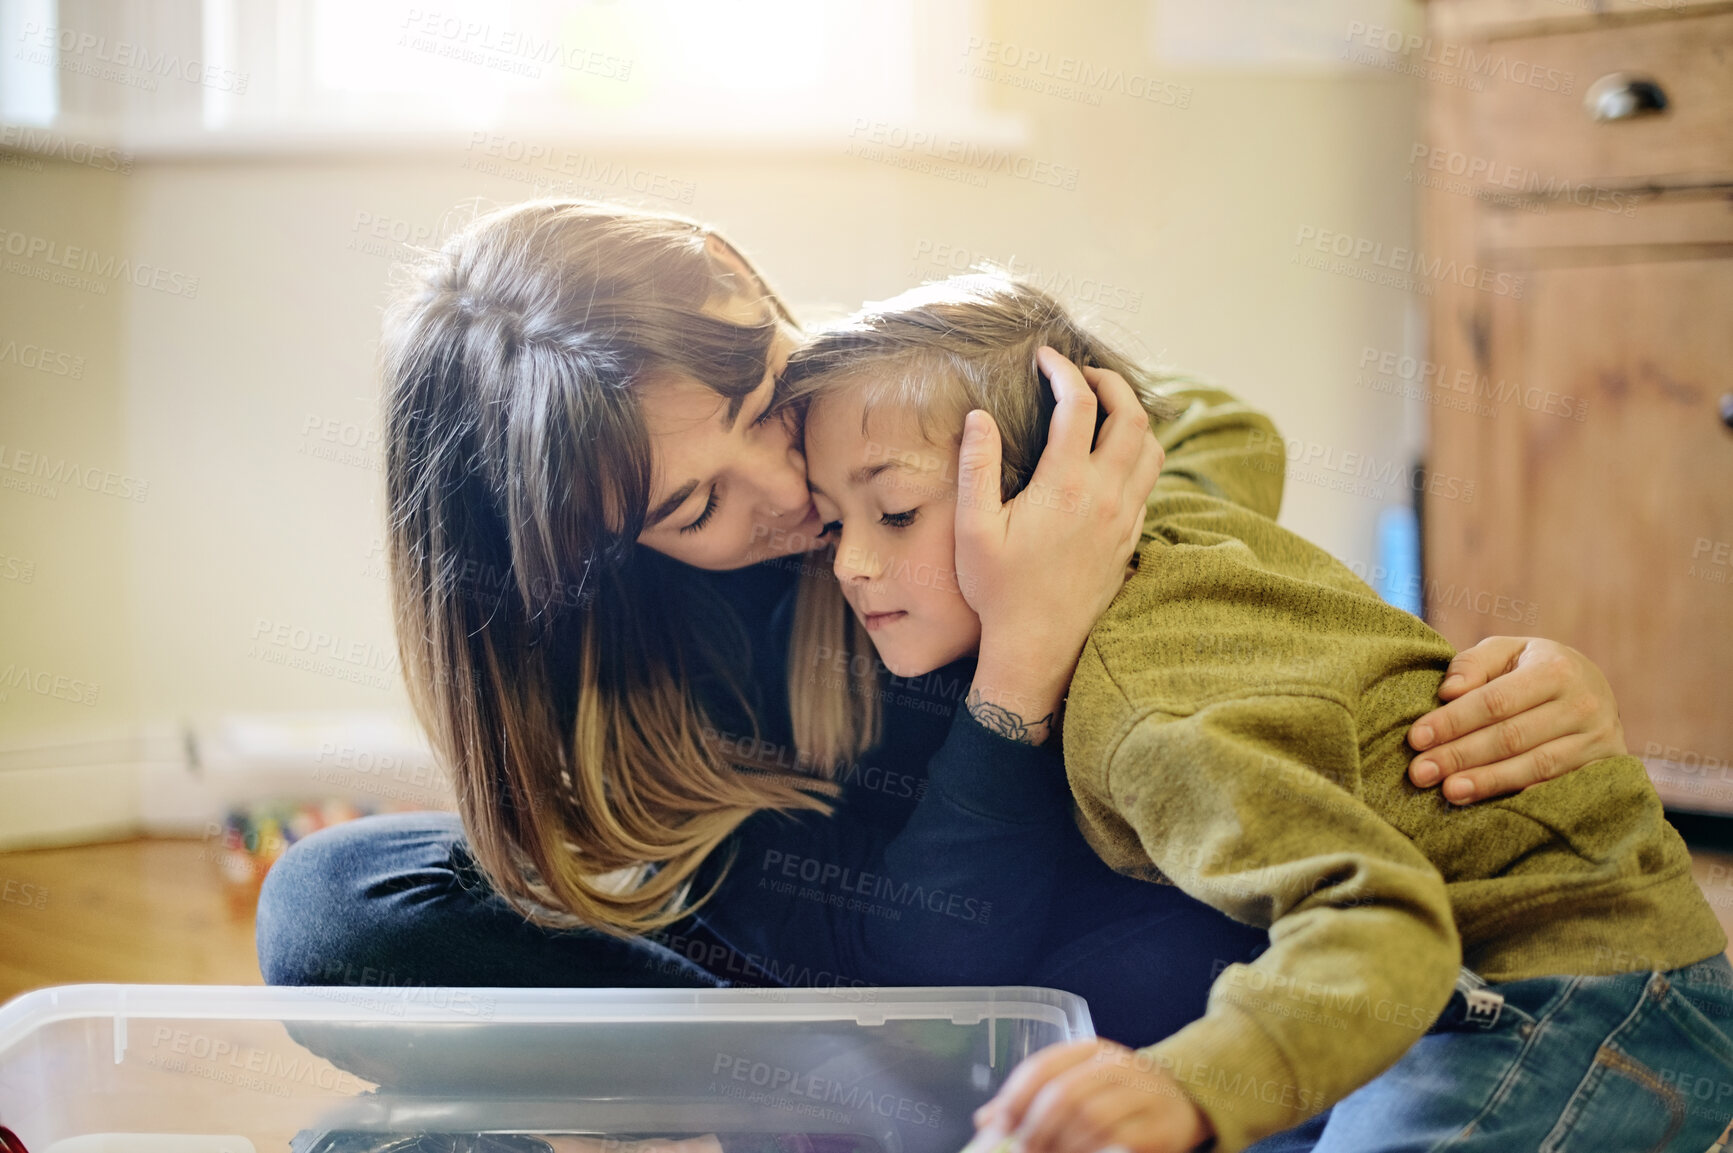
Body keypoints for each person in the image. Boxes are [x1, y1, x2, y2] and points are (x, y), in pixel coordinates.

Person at [257, 199, 1633, 1042]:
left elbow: (1208, 433)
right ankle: (832, 1074)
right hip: (876, 942)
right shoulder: (647, 686)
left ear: (751, 284)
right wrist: (1019, 662)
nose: (788, 493)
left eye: (763, 406)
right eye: (693, 507)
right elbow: (927, 952)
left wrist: (1462, 680)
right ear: (590, 561)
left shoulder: (885, 417)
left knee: (1225, 924)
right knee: (337, 902)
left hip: (1078, 905)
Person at [779, 272, 1733, 1153]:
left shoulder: (1141, 701)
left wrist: (1182, 1088)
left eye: (895, 511)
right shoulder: (1165, 522)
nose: (848, 565)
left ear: (1061, 486)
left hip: (1560, 988)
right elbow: (1226, 429)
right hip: (1474, 972)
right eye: (831, 520)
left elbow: (1377, 919)